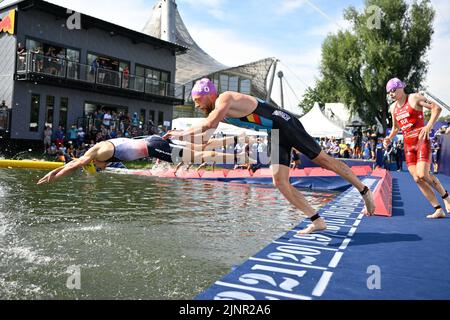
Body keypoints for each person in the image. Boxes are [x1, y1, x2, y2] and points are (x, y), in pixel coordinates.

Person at [163, 78, 376, 234]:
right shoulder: (220, 110)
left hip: (286, 124)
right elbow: (205, 137)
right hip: (274, 133)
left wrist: (181, 132)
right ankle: (317, 220)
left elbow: (209, 124)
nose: (197, 104)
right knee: (280, 182)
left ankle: (364, 190)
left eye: (198, 99)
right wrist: (176, 144)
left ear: (209, 94)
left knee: (325, 161)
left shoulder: (224, 99)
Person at [37, 135, 243, 185]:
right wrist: (53, 172)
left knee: (197, 156)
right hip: (151, 140)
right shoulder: (99, 146)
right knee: (198, 148)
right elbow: (72, 163)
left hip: (153, 147)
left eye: (98, 168)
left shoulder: (91, 156)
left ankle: (238, 155)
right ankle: (235, 141)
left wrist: (53, 178)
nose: (102, 167)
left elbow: (73, 165)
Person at [384, 78, 450, 218]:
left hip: (421, 141)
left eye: (393, 90)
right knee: (417, 178)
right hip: (408, 146)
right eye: (389, 92)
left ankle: (446, 196)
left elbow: (436, 108)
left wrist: (429, 125)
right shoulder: (393, 108)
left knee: (422, 174)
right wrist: (389, 138)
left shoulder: (414, 98)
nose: (391, 94)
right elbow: (396, 128)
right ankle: (438, 209)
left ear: (401, 88)